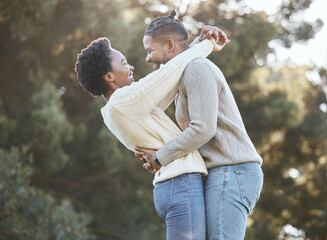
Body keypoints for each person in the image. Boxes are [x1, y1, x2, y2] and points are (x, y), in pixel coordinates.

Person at [74, 24, 228, 239]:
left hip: (173, 186)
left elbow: (171, 78)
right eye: (124, 63)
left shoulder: (118, 109)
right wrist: (208, 44)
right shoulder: (123, 101)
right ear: (108, 76)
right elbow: (170, 73)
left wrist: (196, 44)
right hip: (180, 184)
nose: (131, 67)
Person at [136, 10, 264, 240]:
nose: (147, 58)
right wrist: (199, 43)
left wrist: (160, 157)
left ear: (170, 44)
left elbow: (203, 129)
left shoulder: (196, 69)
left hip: (232, 171)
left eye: (150, 50)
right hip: (223, 172)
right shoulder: (185, 72)